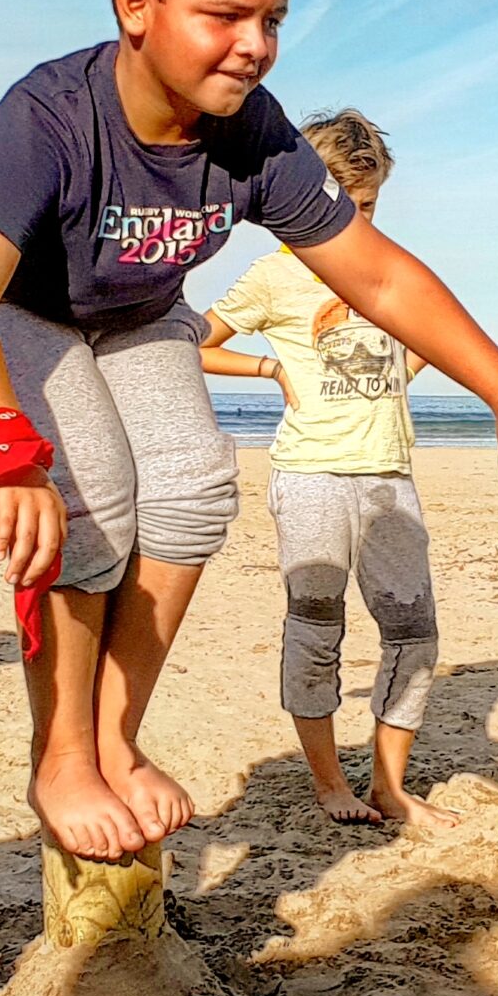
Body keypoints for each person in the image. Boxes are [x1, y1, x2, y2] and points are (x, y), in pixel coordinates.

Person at [0, 0, 498, 862]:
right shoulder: (51, 113)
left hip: (133, 306)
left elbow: (376, 276)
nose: (254, 43)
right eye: (225, 15)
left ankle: (116, 740)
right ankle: (63, 754)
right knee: (95, 494)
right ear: (136, 4)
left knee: (195, 490)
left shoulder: (253, 133)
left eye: (273, 18)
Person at [197, 110, 456, 827]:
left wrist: (408, 362)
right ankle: (328, 784)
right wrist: (267, 365)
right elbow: (192, 343)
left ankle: (390, 786)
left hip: (389, 475)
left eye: (370, 206)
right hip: (311, 475)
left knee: (414, 634)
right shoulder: (274, 277)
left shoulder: (386, 265)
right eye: (346, 205)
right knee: (316, 628)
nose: (359, 220)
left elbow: (424, 338)